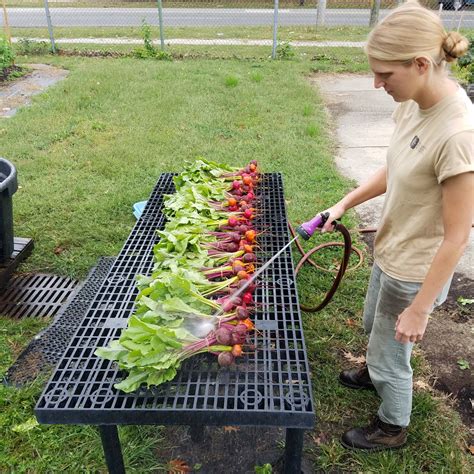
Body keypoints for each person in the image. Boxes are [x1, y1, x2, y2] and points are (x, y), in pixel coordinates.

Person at [316, 1, 473, 451]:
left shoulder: (458, 134)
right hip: (392, 248)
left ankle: (392, 424)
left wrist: (421, 308)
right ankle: (376, 363)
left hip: (417, 268)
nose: (376, 83)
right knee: (375, 324)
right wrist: (346, 202)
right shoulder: (412, 103)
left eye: (385, 74)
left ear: (421, 64)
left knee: (393, 350)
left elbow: (458, 235)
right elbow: (396, 166)